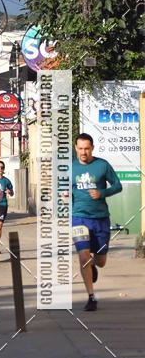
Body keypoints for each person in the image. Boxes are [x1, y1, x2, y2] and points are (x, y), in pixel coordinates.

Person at [70, 132, 122, 312]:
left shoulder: (102, 165)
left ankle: (94, 265)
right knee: (83, 256)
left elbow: (117, 185)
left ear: (92, 148)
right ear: (76, 148)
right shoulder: (69, 167)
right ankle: (91, 297)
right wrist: (63, 196)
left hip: (100, 218)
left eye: (87, 148)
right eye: (80, 148)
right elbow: (62, 190)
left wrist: (102, 193)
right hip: (78, 217)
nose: (83, 152)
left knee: (101, 261)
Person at [0, 161, 14, 249]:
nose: (0, 169)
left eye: (2, 167)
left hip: (2, 206)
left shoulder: (6, 181)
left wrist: (9, 192)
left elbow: (12, 193)